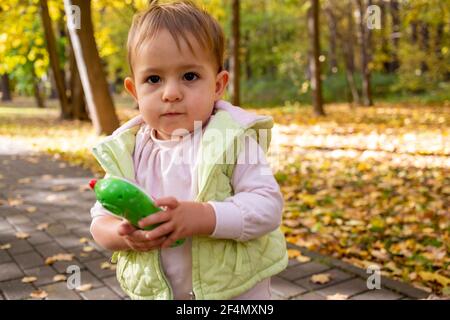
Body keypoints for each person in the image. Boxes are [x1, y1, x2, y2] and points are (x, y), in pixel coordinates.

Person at [89, 0, 288, 300]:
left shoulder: (233, 140)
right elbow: (100, 220)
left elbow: (268, 207)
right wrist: (124, 237)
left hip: (235, 294)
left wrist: (205, 217)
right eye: (153, 79)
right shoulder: (128, 150)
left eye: (190, 76)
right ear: (134, 91)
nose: (171, 93)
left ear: (218, 85)